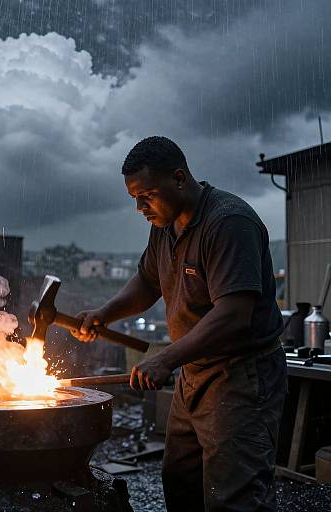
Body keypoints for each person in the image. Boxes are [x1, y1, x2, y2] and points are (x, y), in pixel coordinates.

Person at [71, 136, 287, 512]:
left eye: (147, 195)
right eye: (134, 198)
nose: (140, 207)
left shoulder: (228, 223)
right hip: (194, 374)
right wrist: (104, 313)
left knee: (234, 498)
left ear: (179, 178)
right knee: (181, 482)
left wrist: (166, 357)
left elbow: (234, 315)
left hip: (240, 378)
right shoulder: (164, 224)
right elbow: (148, 282)